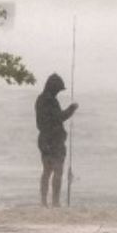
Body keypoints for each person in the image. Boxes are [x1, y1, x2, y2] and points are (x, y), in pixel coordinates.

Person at [34, 73, 78, 207]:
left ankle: (44, 201)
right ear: (53, 88)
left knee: (47, 171)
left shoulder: (42, 99)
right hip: (52, 141)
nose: (58, 92)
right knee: (56, 171)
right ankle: (54, 202)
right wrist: (71, 110)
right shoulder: (49, 100)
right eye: (58, 89)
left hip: (46, 139)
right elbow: (58, 118)